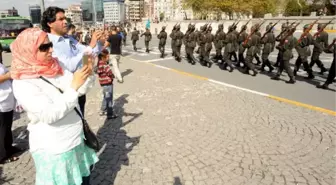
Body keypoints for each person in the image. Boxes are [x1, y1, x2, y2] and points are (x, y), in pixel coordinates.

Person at [11, 28, 97, 185]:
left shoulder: (56, 66)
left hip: (76, 140)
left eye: (50, 44)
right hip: (55, 148)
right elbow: (48, 114)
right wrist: (73, 88)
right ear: (28, 50)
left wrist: (88, 73)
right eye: (44, 47)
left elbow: (80, 89)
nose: (51, 49)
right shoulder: (23, 82)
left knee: (85, 180)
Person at [41, 7, 103, 117]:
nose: (65, 22)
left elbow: (89, 52)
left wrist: (99, 42)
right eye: (61, 19)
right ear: (50, 23)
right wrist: (90, 47)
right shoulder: (48, 43)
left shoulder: (69, 39)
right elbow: (68, 65)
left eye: (65, 18)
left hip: (80, 85)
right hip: (66, 91)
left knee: (81, 120)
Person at [0, 63, 19, 164]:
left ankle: (8, 148)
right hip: (1, 102)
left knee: (7, 127)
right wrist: (8, 75)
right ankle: (1, 156)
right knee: (2, 129)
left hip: (7, 100)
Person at [97, 49, 118, 119]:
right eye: (108, 56)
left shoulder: (99, 63)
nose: (109, 58)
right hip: (108, 83)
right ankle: (110, 113)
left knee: (105, 97)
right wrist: (113, 76)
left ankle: (103, 110)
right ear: (104, 57)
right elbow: (109, 72)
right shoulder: (104, 64)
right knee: (109, 98)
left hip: (103, 83)